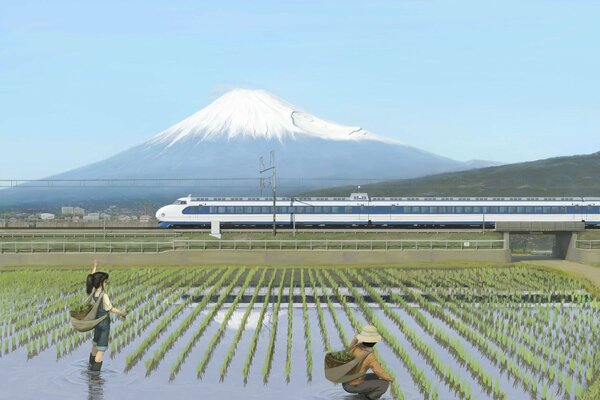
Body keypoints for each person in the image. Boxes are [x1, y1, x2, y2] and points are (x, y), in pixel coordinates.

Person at [87, 259, 127, 371]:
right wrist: (122, 313)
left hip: (97, 322)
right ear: (101, 283)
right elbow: (110, 309)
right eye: (105, 282)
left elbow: (91, 277)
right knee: (101, 348)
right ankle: (95, 375)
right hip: (104, 323)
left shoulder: (94, 291)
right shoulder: (104, 295)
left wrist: (94, 266)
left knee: (95, 343)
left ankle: (90, 366)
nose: (106, 283)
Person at [342, 325, 393, 400]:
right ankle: (370, 397)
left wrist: (355, 339)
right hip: (352, 386)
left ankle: (362, 395)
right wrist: (391, 379)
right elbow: (378, 371)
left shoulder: (356, 347)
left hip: (345, 382)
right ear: (374, 342)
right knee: (384, 383)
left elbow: (350, 347)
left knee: (375, 376)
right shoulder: (369, 355)